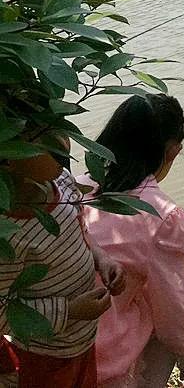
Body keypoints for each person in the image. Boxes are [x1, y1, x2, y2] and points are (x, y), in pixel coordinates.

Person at [81, 95, 184, 388]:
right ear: (172, 151)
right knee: (169, 302)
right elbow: (177, 319)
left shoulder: (73, 189)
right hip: (100, 364)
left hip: (42, 348)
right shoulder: (163, 217)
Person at [0, 134, 126, 388]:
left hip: (81, 342)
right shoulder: (9, 235)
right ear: (8, 158)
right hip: (44, 354)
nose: (61, 142)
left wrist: (101, 259)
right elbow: (3, 311)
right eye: (42, 138)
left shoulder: (62, 183)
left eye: (59, 127)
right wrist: (70, 311)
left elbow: (80, 231)